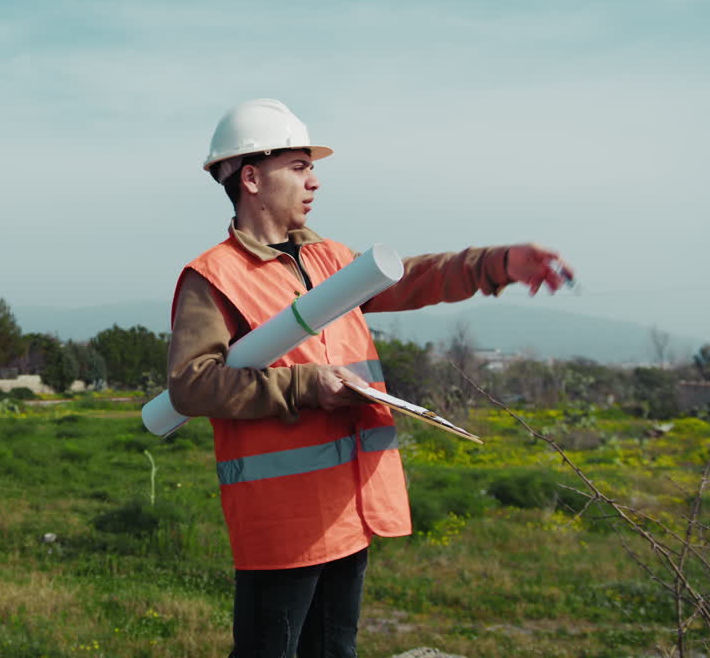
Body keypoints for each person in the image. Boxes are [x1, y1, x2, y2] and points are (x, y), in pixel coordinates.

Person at [166, 98, 573, 658]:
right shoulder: (213, 276)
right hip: (282, 522)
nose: (315, 182)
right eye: (300, 166)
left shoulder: (330, 259)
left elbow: (416, 280)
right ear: (252, 177)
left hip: (348, 510)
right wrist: (306, 386)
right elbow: (192, 385)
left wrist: (497, 263)